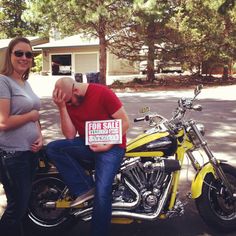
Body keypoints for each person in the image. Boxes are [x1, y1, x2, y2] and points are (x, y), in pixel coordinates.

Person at [46, 77, 130, 236]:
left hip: (112, 146)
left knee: (102, 190)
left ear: (76, 91)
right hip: (88, 142)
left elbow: (125, 122)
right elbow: (70, 135)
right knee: (53, 149)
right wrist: (62, 107)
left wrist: (108, 144)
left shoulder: (103, 93)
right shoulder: (68, 101)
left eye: (69, 101)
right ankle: (85, 188)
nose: (70, 105)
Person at [0, 37, 43, 236]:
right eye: (19, 53)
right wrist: (31, 116)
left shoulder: (24, 83)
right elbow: (3, 122)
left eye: (29, 54)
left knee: (24, 206)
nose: (24, 57)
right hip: (12, 155)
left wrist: (40, 137)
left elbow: (36, 116)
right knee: (16, 207)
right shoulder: (3, 81)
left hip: (30, 153)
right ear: (9, 55)